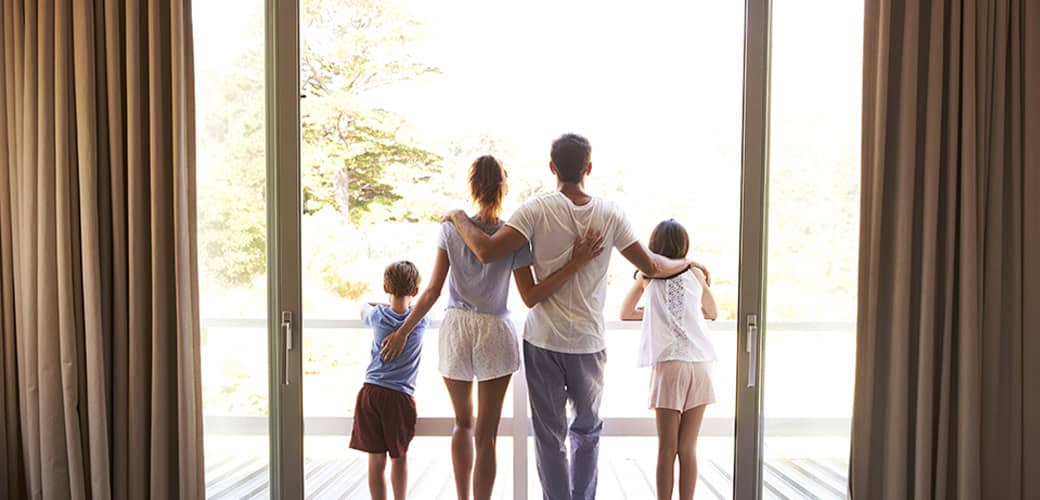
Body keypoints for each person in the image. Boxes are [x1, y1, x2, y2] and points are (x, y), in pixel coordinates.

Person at [443, 134, 710, 500]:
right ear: (589, 167)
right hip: (588, 344)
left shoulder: (534, 210)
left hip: (542, 344)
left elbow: (487, 251)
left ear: (552, 168)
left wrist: (458, 216)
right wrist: (688, 263)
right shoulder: (612, 213)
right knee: (587, 434)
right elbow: (651, 265)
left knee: (550, 439)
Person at [381, 155, 605, 500]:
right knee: (486, 436)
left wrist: (402, 331)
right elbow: (530, 296)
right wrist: (575, 264)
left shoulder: (451, 228)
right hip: (495, 334)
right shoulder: (514, 237)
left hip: (456, 330)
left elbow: (432, 291)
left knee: (462, 425)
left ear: (472, 186)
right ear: (503, 187)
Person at [619, 220, 719, 500]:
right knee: (688, 448)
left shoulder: (647, 276)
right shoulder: (696, 274)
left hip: (670, 365)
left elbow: (625, 312)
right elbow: (712, 311)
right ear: (684, 246)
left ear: (654, 247)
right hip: (700, 364)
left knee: (666, 449)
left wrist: (652, 313)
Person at [350, 261, 430, 500]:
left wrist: (383, 301)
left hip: (370, 392)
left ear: (385, 286)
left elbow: (363, 305)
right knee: (399, 456)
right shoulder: (420, 322)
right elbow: (424, 307)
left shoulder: (376, 316)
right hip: (399, 397)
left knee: (375, 459)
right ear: (415, 291)